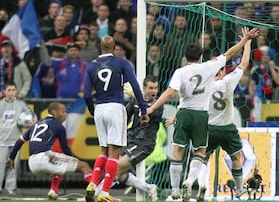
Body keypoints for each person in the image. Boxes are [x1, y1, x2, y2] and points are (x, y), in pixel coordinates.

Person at [146, 27, 259, 202]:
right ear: (201, 56)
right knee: (207, 154)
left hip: (188, 115)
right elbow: (232, 57)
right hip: (209, 120)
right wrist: (245, 41)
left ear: (185, 57)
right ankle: (233, 189)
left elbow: (170, 93)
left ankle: (177, 189)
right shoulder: (213, 71)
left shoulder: (181, 72)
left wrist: (153, 109)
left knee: (179, 152)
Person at [83, 35, 149, 202]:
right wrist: (143, 109)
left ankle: (92, 183)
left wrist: (92, 110)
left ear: (100, 47)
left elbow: (86, 95)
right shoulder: (122, 63)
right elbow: (134, 85)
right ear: (114, 48)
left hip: (100, 108)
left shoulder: (91, 67)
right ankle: (104, 193)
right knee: (115, 152)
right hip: (115, 107)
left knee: (103, 150)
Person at [196, 36, 253, 201]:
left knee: (203, 158)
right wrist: (247, 44)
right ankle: (239, 188)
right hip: (227, 128)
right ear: (221, 72)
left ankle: (202, 185)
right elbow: (243, 64)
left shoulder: (204, 86)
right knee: (236, 157)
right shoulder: (228, 81)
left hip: (209, 128)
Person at [94, 75, 162, 201]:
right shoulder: (134, 101)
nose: (154, 91)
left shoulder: (157, 104)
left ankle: (96, 195)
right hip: (129, 139)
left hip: (144, 143)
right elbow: (124, 116)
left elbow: (146, 113)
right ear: (144, 88)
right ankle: (149, 188)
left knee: (117, 167)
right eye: (151, 88)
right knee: (117, 171)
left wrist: (136, 96)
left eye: (155, 88)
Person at [5, 102, 93, 199]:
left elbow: (20, 141)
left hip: (32, 164)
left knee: (59, 163)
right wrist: (74, 160)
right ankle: (97, 191)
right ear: (54, 112)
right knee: (84, 166)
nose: (65, 114)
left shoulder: (37, 124)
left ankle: (53, 191)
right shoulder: (59, 126)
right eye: (63, 111)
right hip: (44, 158)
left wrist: (11, 157)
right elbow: (65, 149)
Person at [0, 80, 32, 196]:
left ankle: (11, 188)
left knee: (13, 165)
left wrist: (29, 122)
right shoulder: (0, 105)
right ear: (4, 91)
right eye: (9, 90)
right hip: (1, 140)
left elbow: (30, 117)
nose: (11, 92)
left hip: (15, 140)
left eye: (13, 90)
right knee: (0, 165)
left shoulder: (21, 105)